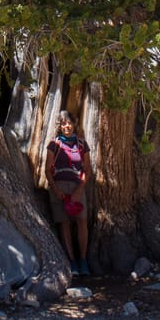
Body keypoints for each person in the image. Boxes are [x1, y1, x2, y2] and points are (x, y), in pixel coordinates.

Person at [45, 110, 91, 276]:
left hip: (77, 186)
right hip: (59, 187)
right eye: (64, 124)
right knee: (64, 223)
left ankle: (83, 260)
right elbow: (48, 170)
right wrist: (55, 189)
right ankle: (72, 262)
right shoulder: (54, 144)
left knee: (82, 222)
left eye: (69, 123)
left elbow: (87, 169)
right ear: (60, 126)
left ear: (74, 124)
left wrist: (80, 189)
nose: (67, 126)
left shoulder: (81, 144)